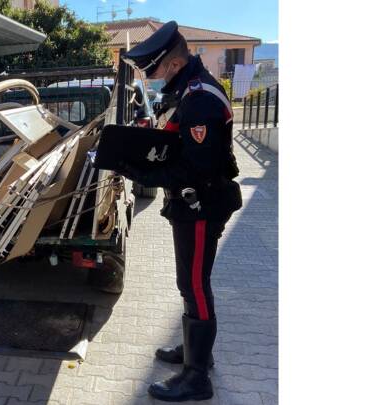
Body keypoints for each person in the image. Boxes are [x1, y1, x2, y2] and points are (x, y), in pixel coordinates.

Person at [118, 21, 243, 401]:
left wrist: (140, 172)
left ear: (172, 65)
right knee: (188, 282)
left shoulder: (200, 98)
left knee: (195, 285)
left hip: (201, 204)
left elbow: (196, 167)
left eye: (152, 71)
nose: (150, 78)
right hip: (190, 202)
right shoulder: (187, 90)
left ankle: (197, 376)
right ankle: (194, 352)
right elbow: (175, 145)